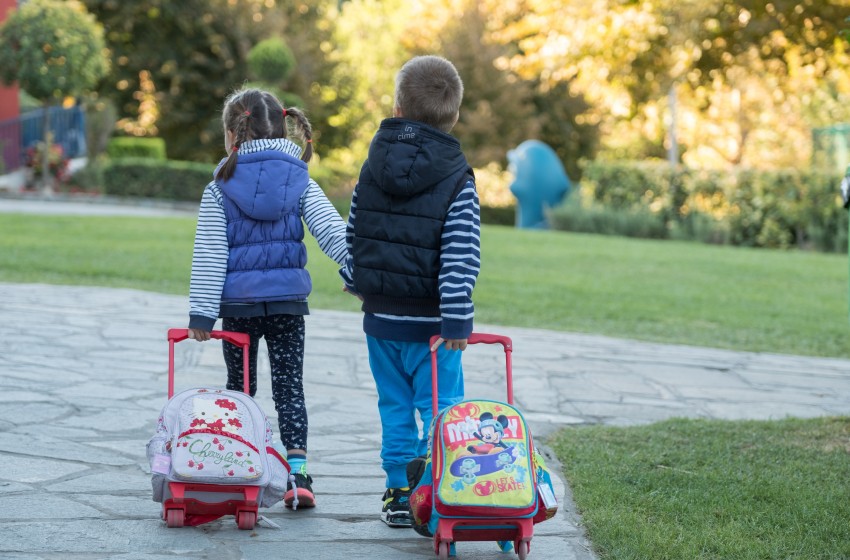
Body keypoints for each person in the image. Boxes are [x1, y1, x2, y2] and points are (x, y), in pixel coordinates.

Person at [188, 88, 348, 510]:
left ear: (231, 133)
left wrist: (202, 313)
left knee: (240, 389)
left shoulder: (220, 186)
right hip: (287, 304)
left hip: (239, 309)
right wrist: (357, 272)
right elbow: (331, 230)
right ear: (284, 128)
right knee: (290, 388)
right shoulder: (299, 178)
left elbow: (210, 252)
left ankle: (239, 463)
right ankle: (298, 475)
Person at [340, 55, 480, 527]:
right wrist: (457, 318)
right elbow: (460, 254)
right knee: (442, 407)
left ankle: (400, 492)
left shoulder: (372, 165)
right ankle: (441, 488)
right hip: (434, 327)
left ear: (397, 108)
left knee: (395, 405)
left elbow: (356, 230)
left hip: (382, 320)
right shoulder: (457, 177)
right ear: (453, 116)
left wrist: (356, 280)